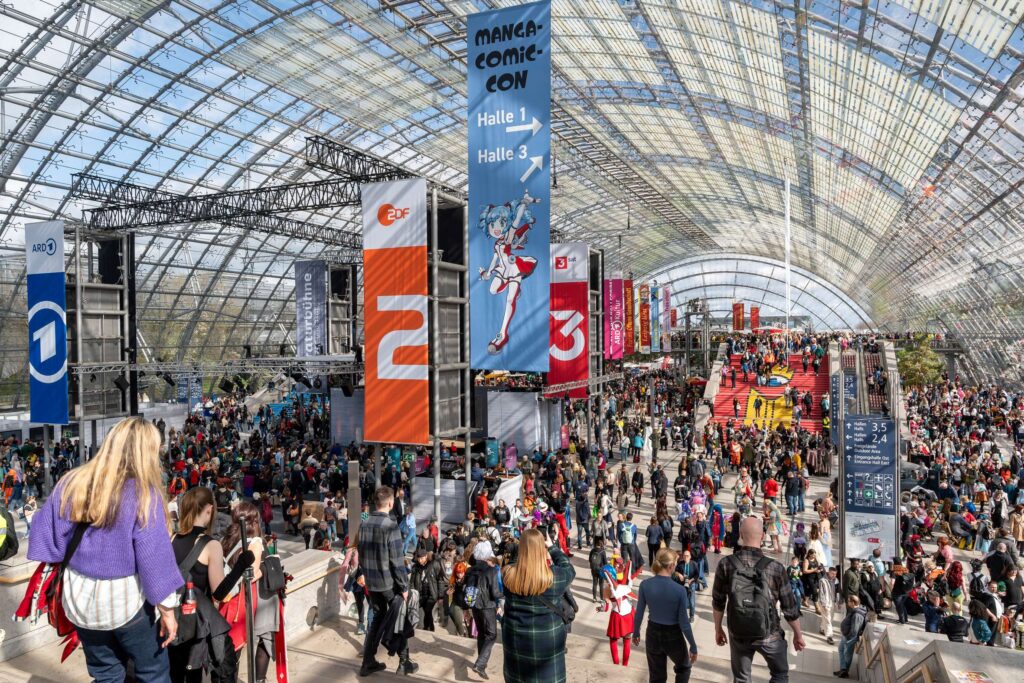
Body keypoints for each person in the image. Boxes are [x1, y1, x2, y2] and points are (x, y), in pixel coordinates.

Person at [27, 417, 183, 683]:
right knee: (153, 672)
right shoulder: (144, 495)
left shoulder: (71, 482)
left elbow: (44, 531)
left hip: (80, 601)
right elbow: (153, 559)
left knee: (105, 674)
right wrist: (168, 611)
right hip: (125, 603)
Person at [169, 487, 250, 683]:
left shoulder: (171, 539)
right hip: (199, 625)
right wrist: (241, 565)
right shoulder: (211, 545)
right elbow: (219, 592)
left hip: (175, 621)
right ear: (209, 509)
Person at [712, 516, 805, 683]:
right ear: (763, 536)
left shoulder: (726, 564)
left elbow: (718, 602)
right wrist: (798, 635)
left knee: (741, 678)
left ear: (740, 534)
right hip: (770, 635)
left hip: (738, 632)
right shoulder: (776, 568)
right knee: (780, 674)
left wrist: (718, 629)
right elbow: (789, 608)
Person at [500, 528, 576, 683]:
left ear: (521, 549)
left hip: (516, 648)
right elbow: (568, 568)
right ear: (542, 549)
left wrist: (518, 551)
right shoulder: (554, 578)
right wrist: (552, 547)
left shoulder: (508, 575)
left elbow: (514, 564)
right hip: (546, 649)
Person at [357, 486, 417, 676]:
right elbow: (397, 561)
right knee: (401, 619)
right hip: (389, 584)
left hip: (372, 583)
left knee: (376, 619)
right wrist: (404, 587)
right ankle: (404, 662)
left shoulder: (364, 524)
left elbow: (361, 553)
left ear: (376, 503)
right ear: (390, 503)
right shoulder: (391, 526)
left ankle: (368, 662)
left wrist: (365, 574)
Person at [634, 548, 699, 683]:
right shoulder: (680, 590)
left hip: (652, 633)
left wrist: (636, 632)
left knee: (656, 676)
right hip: (673, 635)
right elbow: (684, 623)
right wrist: (693, 645)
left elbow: (639, 612)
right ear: (671, 566)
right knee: (684, 668)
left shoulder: (645, 585)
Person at [465, 540, 501, 679]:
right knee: (492, 634)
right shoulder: (491, 570)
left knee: (481, 634)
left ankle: (481, 664)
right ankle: (480, 664)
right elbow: (495, 593)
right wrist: (507, 595)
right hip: (487, 605)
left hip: (474, 605)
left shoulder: (470, 569)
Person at [835, 595, 866, 678]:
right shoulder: (854, 610)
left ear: (853, 602)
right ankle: (843, 668)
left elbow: (855, 630)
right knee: (841, 650)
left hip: (849, 638)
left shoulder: (857, 614)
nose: (847, 603)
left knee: (847, 654)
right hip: (846, 635)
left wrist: (849, 638)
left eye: (849, 601)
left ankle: (844, 671)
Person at [817, 565, 838, 645]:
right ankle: (829, 636)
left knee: (829, 618)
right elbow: (821, 593)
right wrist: (824, 604)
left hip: (832, 602)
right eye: (832, 574)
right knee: (828, 619)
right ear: (828, 572)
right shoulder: (822, 580)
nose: (834, 575)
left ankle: (822, 629)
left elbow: (837, 591)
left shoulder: (836, 580)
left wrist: (838, 601)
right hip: (825, 603)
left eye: (835, 574)